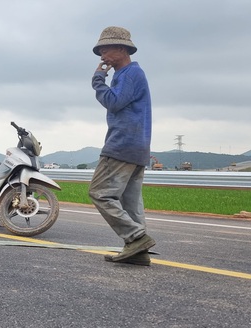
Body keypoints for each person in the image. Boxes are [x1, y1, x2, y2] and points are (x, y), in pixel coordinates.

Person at [88, 26, 156, 266]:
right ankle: (138, 252)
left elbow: (114, 103)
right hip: (137, 147)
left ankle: (136, 237)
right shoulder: (126, 74)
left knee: (99, 192)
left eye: (106, 48)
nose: (102, 54)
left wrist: (98, 79)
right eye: (100, 49)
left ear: (122, 48)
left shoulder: (129, 74)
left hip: (123, 144)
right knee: (130, 202)